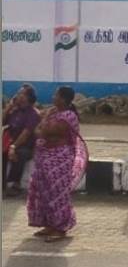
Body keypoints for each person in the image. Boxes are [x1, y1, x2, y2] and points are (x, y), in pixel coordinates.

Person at [26, 86, 88, 242]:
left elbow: (47, 131)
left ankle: (60, 228)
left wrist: (43, 124)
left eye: (56, 95)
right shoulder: (53, 113)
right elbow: (38, 131)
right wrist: (43, 124)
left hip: (60, 158)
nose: (53, 97)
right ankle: (48, 224)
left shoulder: (68, 116)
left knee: (57, 192)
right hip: (44, 157)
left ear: (63, 99)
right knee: (43, 190)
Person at [3, 84, 41, 196]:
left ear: (27, 97)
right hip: (9, 143)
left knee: (20, 153)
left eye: (20, 93)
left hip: (25, 146)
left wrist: (13, 147)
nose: (17, 95)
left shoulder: (33, 113)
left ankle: (14, 184)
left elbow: (26, 134)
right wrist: (9, 107)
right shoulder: (16, 111)